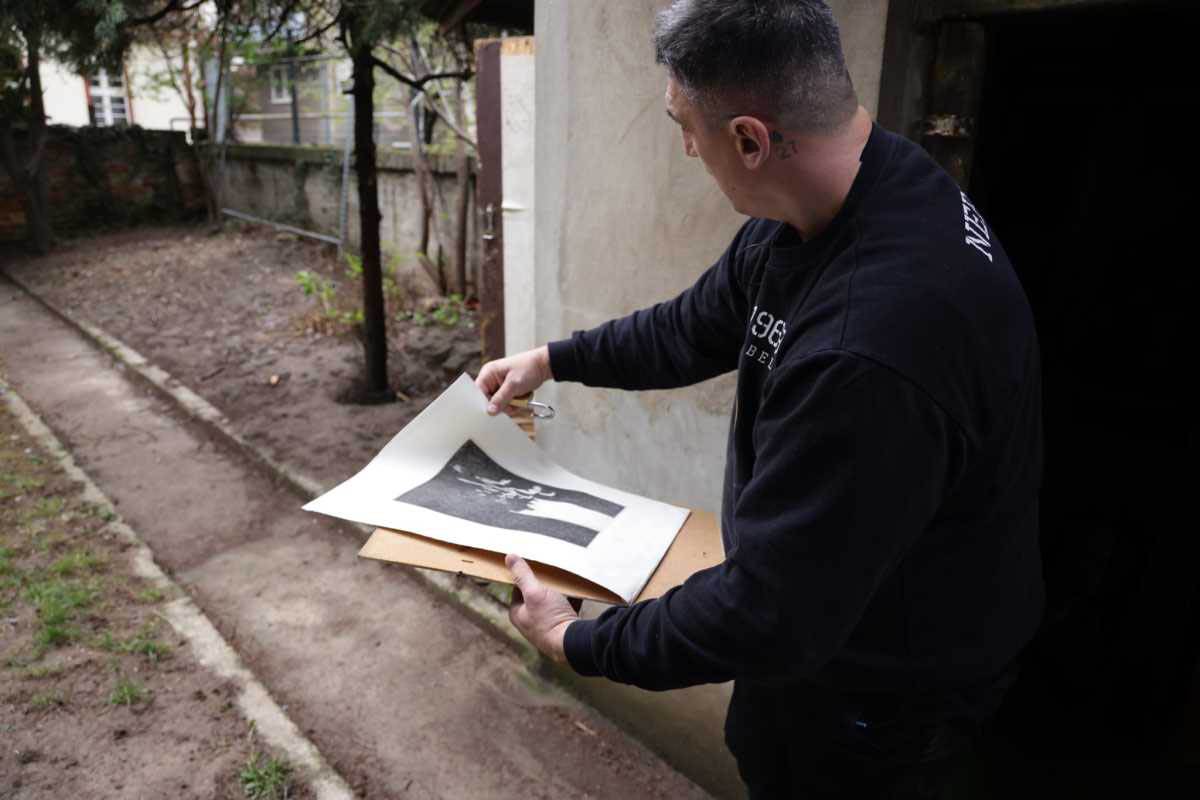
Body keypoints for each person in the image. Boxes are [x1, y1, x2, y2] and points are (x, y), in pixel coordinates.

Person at [476, 1, 1044, 796]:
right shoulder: (842, 198)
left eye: (685, 125)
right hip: (830, 642)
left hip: (878, 712)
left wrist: (577, 641)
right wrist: (553, 360)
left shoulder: (869, 348)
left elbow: (765, 613)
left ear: (749, 139)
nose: (686, 146)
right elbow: (694, 326)